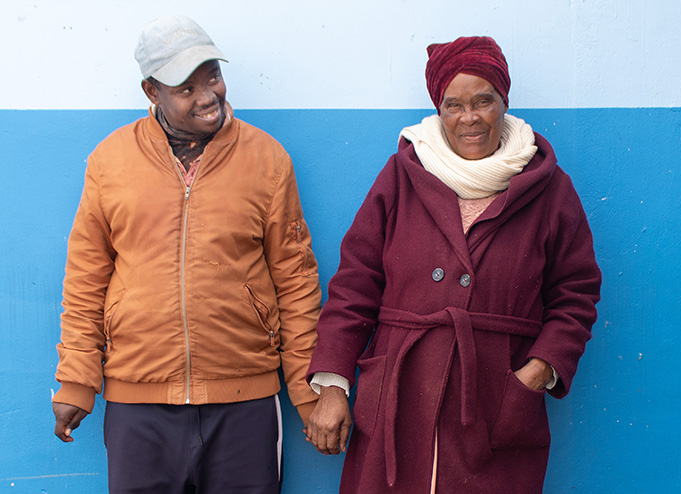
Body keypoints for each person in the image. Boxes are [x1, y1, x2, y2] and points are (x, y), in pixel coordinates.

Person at [305, 36, 601, 493]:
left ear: (504, 101)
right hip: (398, 397)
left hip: (495, 398)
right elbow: (355, 285)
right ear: (437, 108)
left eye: (483, 101)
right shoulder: (402, 176)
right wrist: (332, 386)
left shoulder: (550, 189)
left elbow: (575, 293)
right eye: (453, 104)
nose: (470, 118)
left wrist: (538, 370)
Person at [52, 15, 322, 493]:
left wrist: (306, 391)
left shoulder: (267, 160)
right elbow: (86, 279)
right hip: (138, 405)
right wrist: (76, 381)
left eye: (212, 76)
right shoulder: (110, 162)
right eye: (185, 87)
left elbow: (297, 282)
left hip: (246, 403)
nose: (206, 97)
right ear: (151, 91)